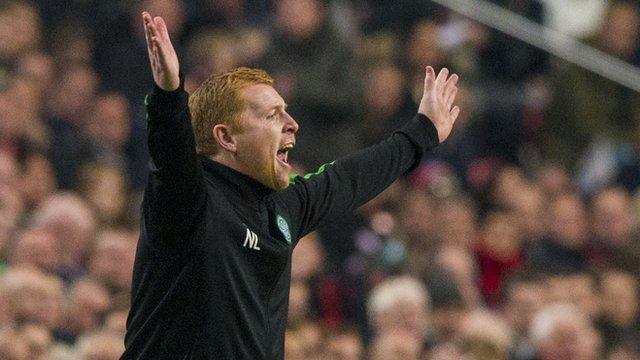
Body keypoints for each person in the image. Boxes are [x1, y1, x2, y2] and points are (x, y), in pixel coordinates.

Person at [121, 11, 459, 359]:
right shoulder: (188, 199)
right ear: (226, 137)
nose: (292, 124)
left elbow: (350, 177)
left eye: (286, 111)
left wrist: (424, 130)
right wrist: (168, 93)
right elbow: (171, 154)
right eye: (272, 115)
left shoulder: (284, 206)